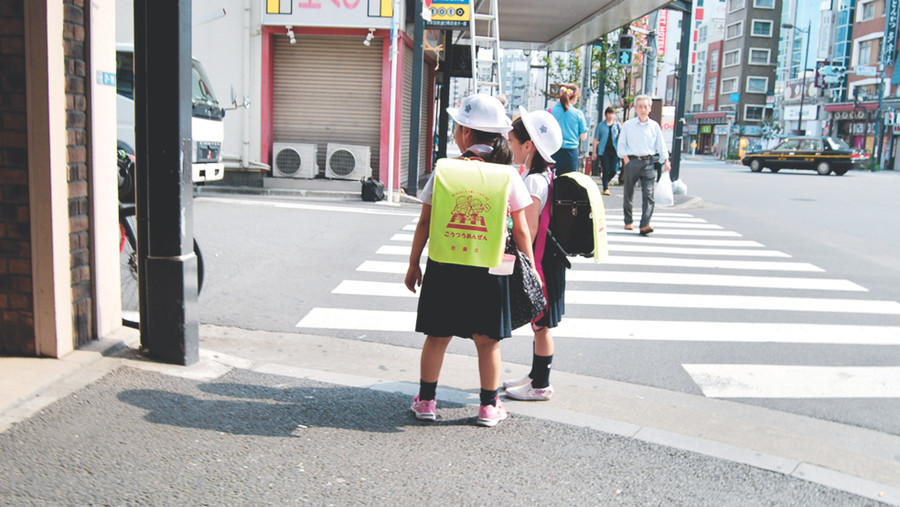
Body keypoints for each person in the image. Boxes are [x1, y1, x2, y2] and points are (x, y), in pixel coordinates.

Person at [404, 94, 539, 427]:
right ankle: (488, 406)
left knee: (437, 337)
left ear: (465, 133)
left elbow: (424, 221)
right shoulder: (506, 175)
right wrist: (532, 267)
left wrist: (413, 263)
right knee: (487, 341)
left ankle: (426, 401)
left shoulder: (446, 170)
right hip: (490, 270)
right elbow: (521, 229)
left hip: (445, 265)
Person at [503, 107, 565, 401]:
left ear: (529, 146)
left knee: (541, 326)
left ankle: (541, 384)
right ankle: (534, 375)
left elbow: (526, 228)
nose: (509, 147)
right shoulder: (538, 174)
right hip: (544, 260)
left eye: (513, 142)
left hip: (538, 262)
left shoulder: (534, 181)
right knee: (539, 324)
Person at [616, 94, 671, 236]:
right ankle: (628, 220)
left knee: (649, 194)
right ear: (635, 108)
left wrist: (666, 160)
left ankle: (645, 224)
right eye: (640, 106)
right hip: (632, 161)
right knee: (629, 192)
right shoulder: (628, 125)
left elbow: (660, 144)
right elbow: (621, 144)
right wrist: (626, 158)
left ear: (650, 108)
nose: (642, 109)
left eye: (645, 106)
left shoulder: (654, 126)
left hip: (648, 162)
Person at [549, 84, 587, 175]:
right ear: (575, 97)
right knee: (569, 182)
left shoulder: (550, 111)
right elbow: (583, 136)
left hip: (553, 150)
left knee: (551, 181)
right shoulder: (578, 114)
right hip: (570, 152)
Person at [591, 106, 622, 196]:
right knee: (606, 169)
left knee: (614, 170)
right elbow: (596, 139)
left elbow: (622, 135)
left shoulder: (617, 125)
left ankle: (607, 181)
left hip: (614, 150)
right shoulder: (601, 126)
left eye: (612, 113)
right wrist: (594, 152)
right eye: (609, 113)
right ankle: (605, 188)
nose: (611, 115)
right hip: (603, 150)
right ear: (606, 114)